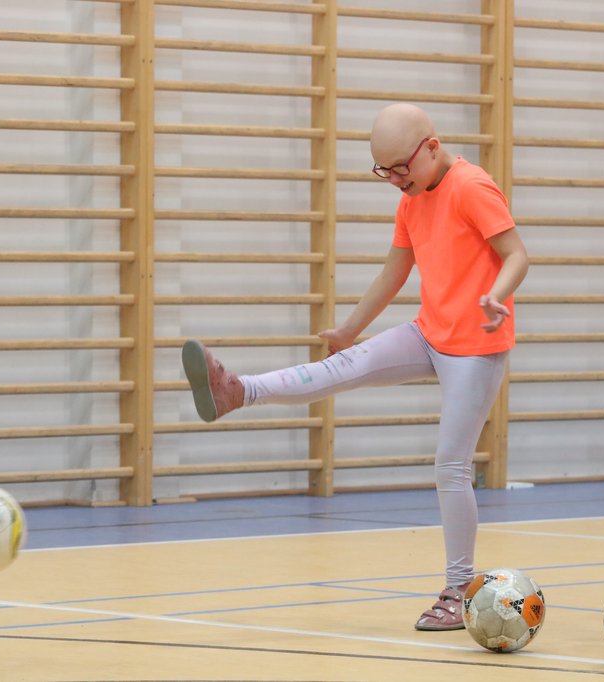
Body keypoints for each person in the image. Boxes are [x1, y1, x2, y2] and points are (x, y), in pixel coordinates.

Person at [181, 102, 529, 632]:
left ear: (432, 147)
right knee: (340, 367)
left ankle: (459, 590)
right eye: (383, 171)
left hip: (477, 347)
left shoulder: (471, 187)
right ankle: (237, 391)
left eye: (400, 168)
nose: (395, 180)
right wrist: (349, 330)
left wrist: (497, 295)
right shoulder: (412, 199)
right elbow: (394, 270)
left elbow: (517, 254)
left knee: (451, 465)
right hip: (430, 333)